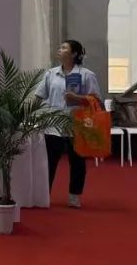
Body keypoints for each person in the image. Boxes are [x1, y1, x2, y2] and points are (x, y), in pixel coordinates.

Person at [36, 40, 101, 209]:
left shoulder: (87, 75)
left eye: (64, 48)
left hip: (77, 126)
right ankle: (44, 195)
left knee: (77, 163)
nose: (60, 50)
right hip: (53, 125)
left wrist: (77, 98)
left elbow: (96, 100)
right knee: (49, 163)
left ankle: (74, 196)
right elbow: (40, 95)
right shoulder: (51, 74)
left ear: (74, 54)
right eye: (60, 47)